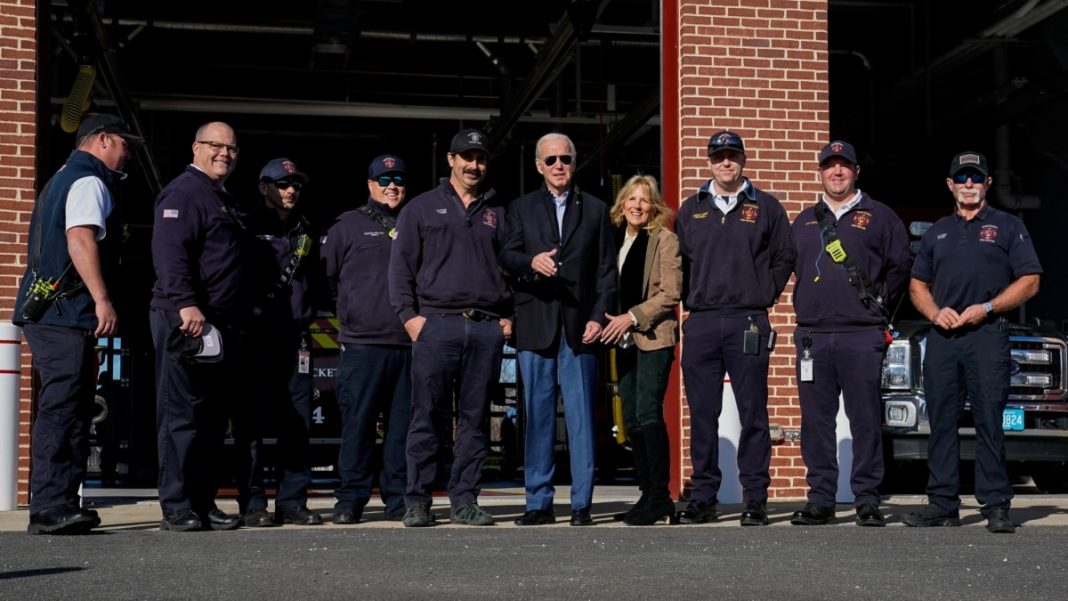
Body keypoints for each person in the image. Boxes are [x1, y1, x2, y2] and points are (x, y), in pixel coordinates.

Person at [13, 113, 141, 534]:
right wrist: (103, 299)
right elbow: (80, 238)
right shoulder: (89, 181)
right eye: (123, 144)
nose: (126, 154)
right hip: (66, 314)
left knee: (70, 406)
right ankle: (50, 506)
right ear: (103, 140)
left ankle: (62, 502)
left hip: (56, 314)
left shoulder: (62, 177)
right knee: (64, 408)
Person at [903, 151, 1041, 534]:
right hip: (944, 338)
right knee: (942, 421)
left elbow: (1030, 279)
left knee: (988, 421)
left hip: (987, 336)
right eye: (961, 178)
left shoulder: (1008, 226)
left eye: (976, 178)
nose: (968, 185)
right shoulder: (937, 232)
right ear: (950, 185)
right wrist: (934, 314)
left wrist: (988, 307)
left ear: (988, 184)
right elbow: (917, 285)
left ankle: (996, 504)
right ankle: (942, 504)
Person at [388, 128, 512, 527]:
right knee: (428, 415)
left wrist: (509, 317)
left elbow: (511, 267)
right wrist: (410, 317)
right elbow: (400, 267)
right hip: (436, 326)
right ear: (451, 160)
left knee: (475, 419)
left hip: (485, 329)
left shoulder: (497, 212)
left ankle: (464, 499)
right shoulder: (421, 208)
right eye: (467, 157)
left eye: (480, 158)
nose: (474, 165)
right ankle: (418, 500)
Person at [674, 130, 796, 526]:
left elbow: (785, 256)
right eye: (719, 156)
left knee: (753, 414)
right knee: (702, 416)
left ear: (743, 160)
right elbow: (679, 264)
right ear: (709, 162)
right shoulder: (690, 209)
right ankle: (704, 497)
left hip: (749, 321)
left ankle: (755, 498)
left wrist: (763, 292)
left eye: (733, 156)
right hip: (703, 323)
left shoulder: (767, 208)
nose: (726, 162)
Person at [788, 141, 910, 527]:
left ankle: (868, 500)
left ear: (856, 171)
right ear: (819, 173)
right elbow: (791, 267)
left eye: (844, 166)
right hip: (813, 337)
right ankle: (821, 499)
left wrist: (875, 308)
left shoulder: (881, 216)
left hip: (862, 336)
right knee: (816, 422)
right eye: (829, 167)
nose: (836, 173)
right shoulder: (804, 221)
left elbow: (900, 267)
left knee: (865, 420)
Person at [499, 132, 616, 527]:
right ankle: (539, 502)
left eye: (565, 158)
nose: (559, 166)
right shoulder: (520, 208)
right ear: (538, 165)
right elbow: (507, 256)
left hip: (580, 328)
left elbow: (605, 272)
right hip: (536, 325)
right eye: (551, 160)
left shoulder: (597, 210)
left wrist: (599, 317)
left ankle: (581, 502)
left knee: (582, 418)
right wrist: (531, 262)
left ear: (575, 161)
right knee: (539, 417)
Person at [150, 122, 248, 532]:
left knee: (210, 420)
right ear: (196, 147)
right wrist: (187, 304)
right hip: (186, 320)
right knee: (181, 415)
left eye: (231, 147)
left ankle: (203, 502)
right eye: (215, 145)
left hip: (217, 325)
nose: (224, 153)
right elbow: (170, 253)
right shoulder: (184, 193)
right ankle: (177, 505)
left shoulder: (218, 196)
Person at [232, 157, 323, 527]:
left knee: (297, 423)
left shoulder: (306, 230)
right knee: (250, 423)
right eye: (283, 184)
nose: (290, 190)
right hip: (254, 336)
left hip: (295, 338)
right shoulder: (245, 226)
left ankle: (292, 501)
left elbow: (319, 280)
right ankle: (253, 503)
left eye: (295, 185)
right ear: (263, 187)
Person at [322, 154, 412, 523]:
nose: (392, 186)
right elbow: (327, 278)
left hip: (408, 344)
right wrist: (353, 315)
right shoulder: (347, 226)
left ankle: (399, 500)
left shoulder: (416, 221)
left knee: (402, 430)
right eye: (384, 179)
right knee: (357, 425)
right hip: (362, 344)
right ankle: (350, 500)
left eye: (399, 179)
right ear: (370, 184)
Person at [600, 175, 682, 526]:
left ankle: (661, 498)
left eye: (644, 200)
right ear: (622, 205)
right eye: (631, 199)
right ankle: (646, 495)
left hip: (652, 337)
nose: (637, 205)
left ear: (654, 207)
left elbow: (671, 293)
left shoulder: (664, 240)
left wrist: (631, 317)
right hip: (623, 340)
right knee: (631, 416)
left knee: (649, 413)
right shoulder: (617, 242)